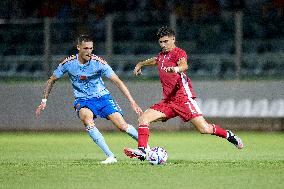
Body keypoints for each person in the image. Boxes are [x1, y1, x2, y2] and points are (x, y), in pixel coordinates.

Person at [124, 26, 244, 161]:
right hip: (168, 101)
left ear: (173, 39)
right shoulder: (162, 55)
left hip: (183, 99)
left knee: (204, 129)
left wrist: (175, 69)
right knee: (143, 118)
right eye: (161, 42)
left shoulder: (178, 52)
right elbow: (155, 60)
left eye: (166, 41)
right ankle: (143, 150)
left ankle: (228, 135)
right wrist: (141, 63)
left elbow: (184, 65)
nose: (163, 45)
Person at [36, 35, 143, 164]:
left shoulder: (99, 63)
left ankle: (146, 148)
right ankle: (110, 156)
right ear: (78, 48)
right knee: (87, 119)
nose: (88, 51)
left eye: (91, 48)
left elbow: (118, 82)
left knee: (122, 126)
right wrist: (44, 100)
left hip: (103, 98)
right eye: (85, 48)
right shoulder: (68, 64)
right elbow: (51, 80)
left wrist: (132, 101)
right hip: (83, 100)